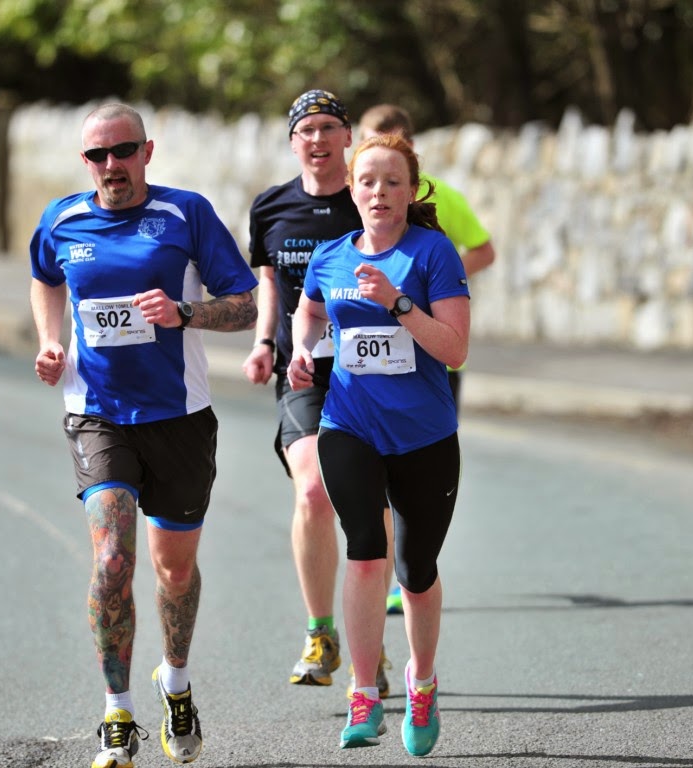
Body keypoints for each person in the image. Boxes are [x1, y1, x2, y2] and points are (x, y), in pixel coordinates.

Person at [30, 102, 258, 768]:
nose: (110, 167)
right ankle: (117, 713)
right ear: (85, 162)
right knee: (111, 563)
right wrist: (51, 343)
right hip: (98, 413)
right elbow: (44, 279)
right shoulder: (62, 219)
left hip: (179, 417)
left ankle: (176, 682)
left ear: (147, 152)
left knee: (173, 571)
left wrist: (183, 312)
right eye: (96, 156)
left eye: (122, 152)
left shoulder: (186, 214)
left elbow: (244, 302)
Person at [287, 132, 469, 755]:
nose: (379, 193)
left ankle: (421, 680)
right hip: (350, 425)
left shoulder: (433, 253)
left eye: (392, 182)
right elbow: (308, 312)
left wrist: (397, 305)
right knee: (366, 552)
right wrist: (301, 351)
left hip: (424, 435)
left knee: (415, 573)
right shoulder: (331, 256)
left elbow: (455, 349)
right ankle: (364, 693)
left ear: (411, 189)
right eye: (367, 182)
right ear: (352, 189)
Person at [241, 89, 394, 698]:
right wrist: (262, 343)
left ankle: (371, 641)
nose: (319, 138)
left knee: (372, 506)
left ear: (347, 137)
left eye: (330, 127)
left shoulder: (370, 201)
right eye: (307, 129)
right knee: (311, 490)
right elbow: (271, 285)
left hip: (371, 373)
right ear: (293, 142)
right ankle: (321, 631)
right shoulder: (271, 207)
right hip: (302, 371)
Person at [357, 103, 496, 614]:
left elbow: (483, 249)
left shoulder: (441, 196)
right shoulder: (360, 200)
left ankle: (408, 572)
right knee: (376, 478)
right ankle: (392, 570)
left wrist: (435, 278)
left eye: (390, 139)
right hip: (369, 374)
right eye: (370, 138)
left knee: (414, 473)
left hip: (434, 360)